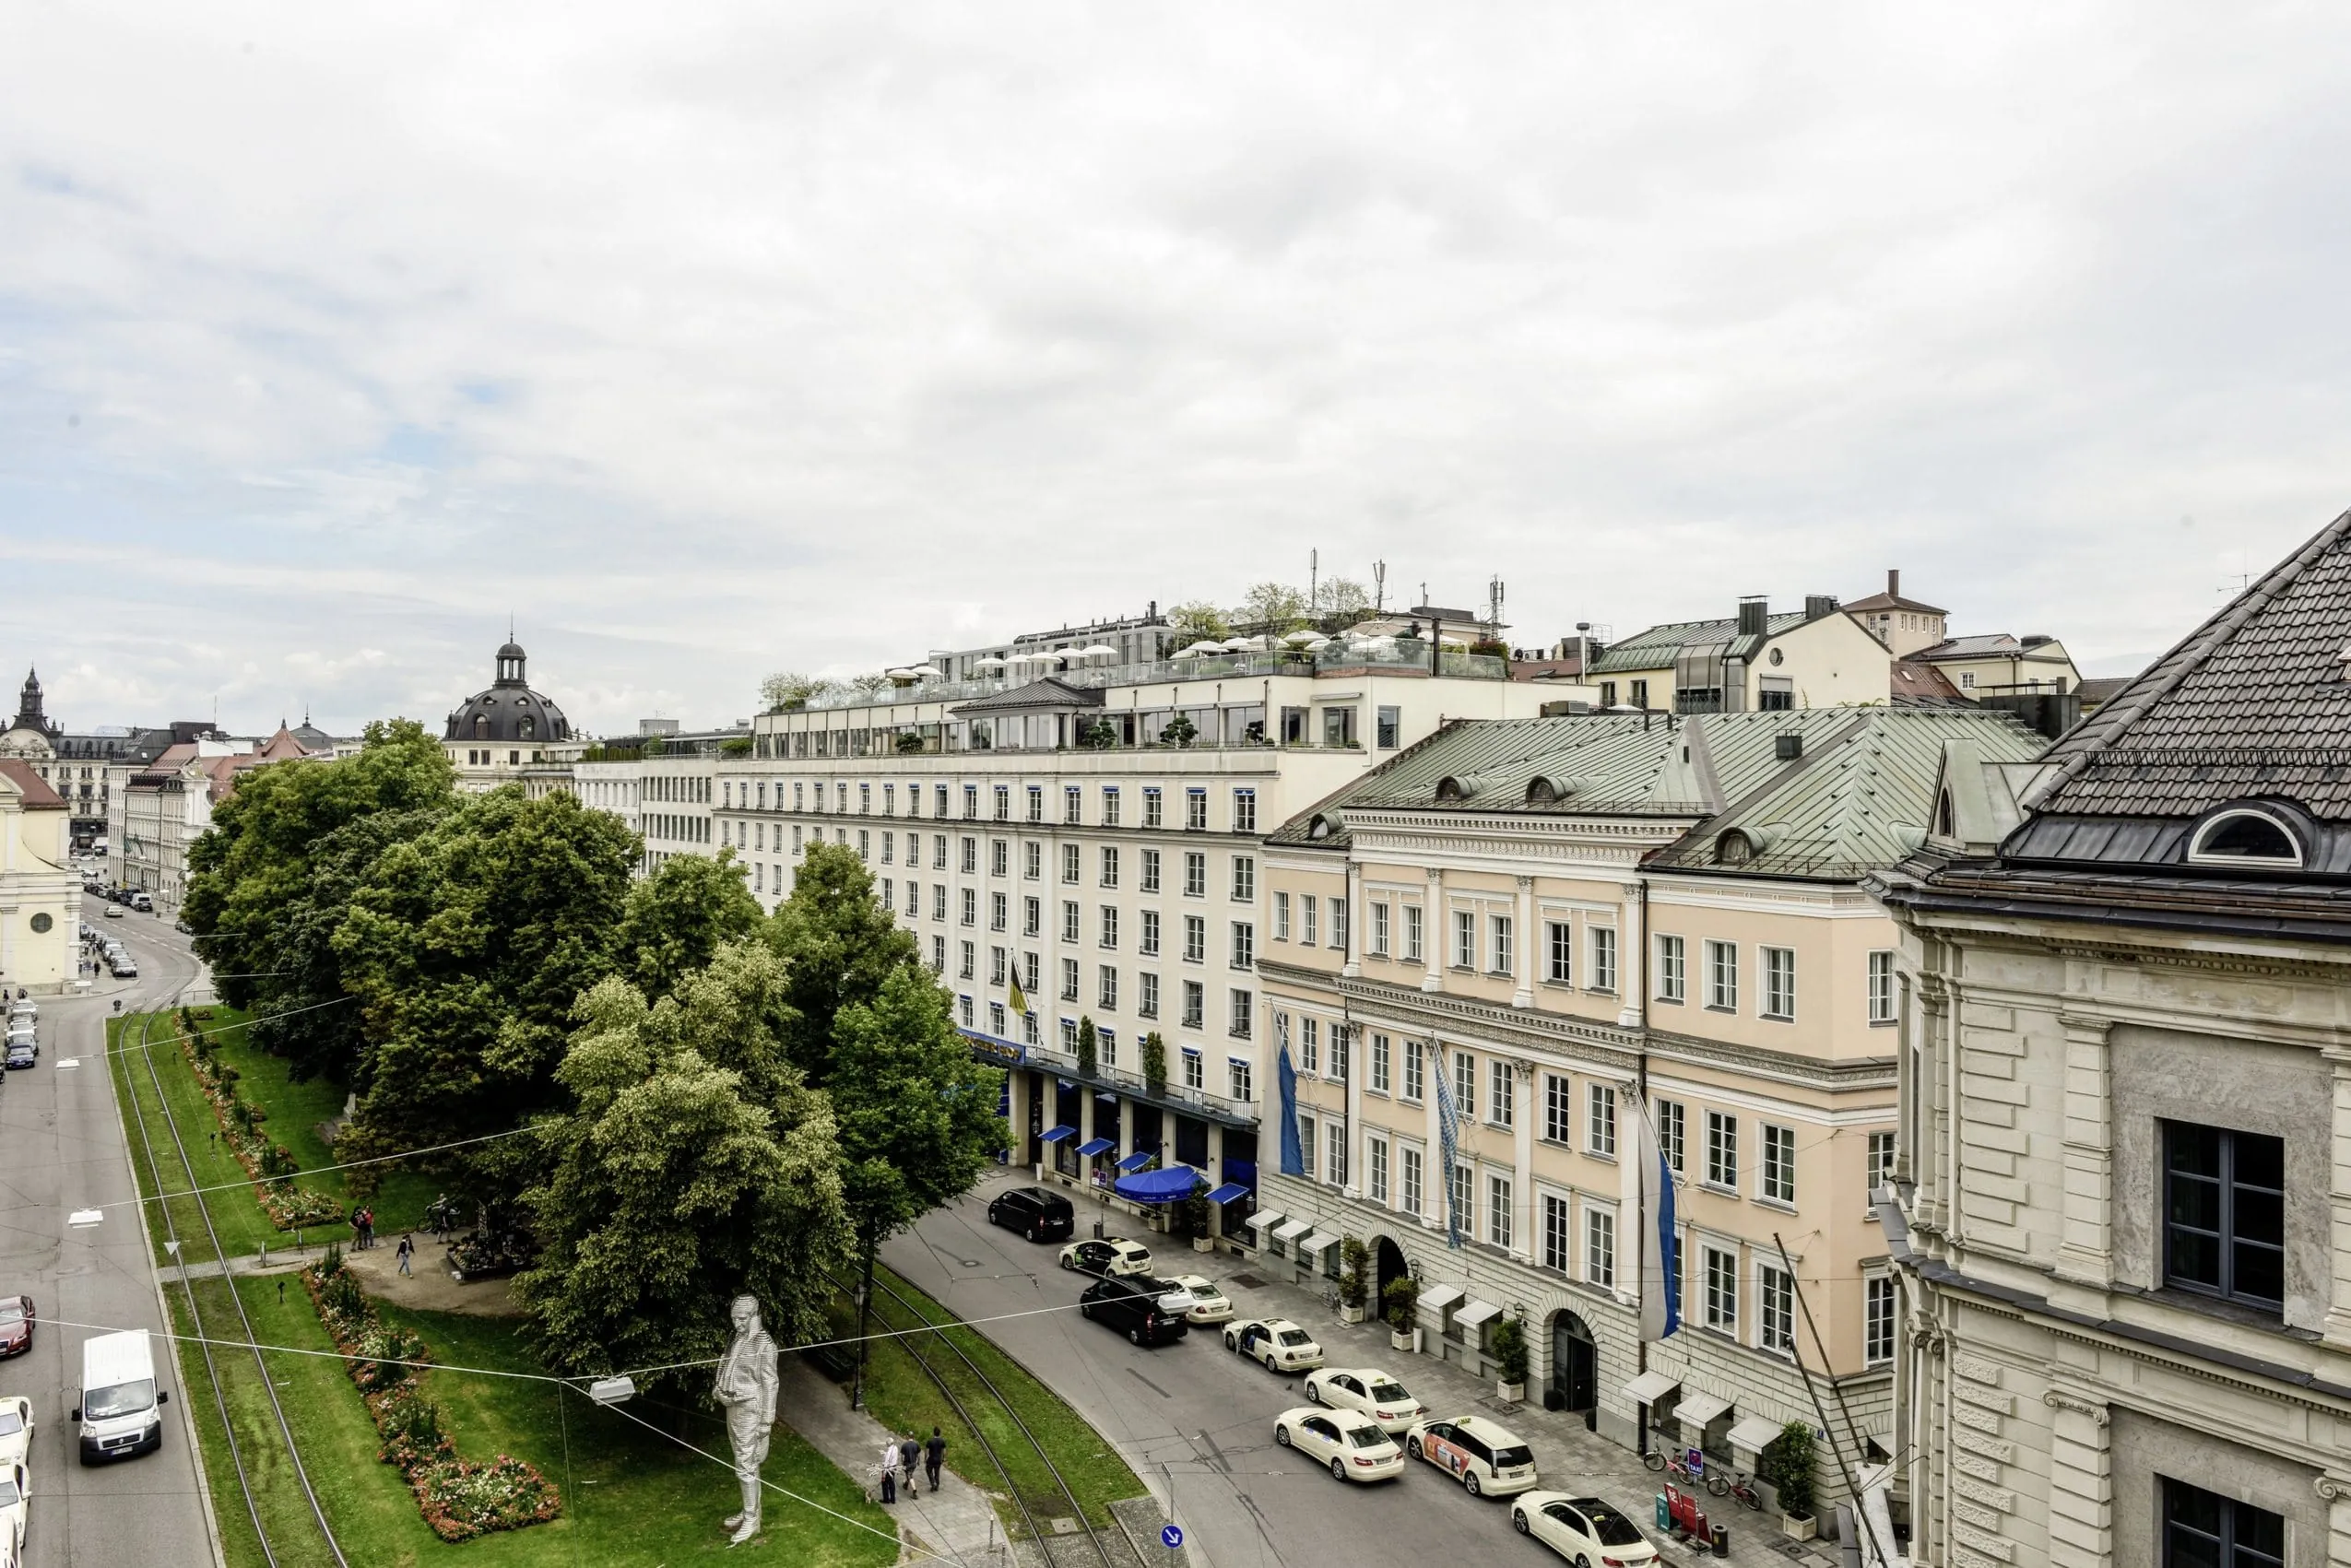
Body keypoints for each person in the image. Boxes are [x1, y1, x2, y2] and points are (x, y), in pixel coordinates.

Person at [715, 1294, 779, 1545]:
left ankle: (752, 1519)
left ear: (754, 1316)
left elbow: (770, 1383)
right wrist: (719, 1389)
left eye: (741, 1319)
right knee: (743, 1462)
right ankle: (749, 1510)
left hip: (750, 1409)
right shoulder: (736, 1339)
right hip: (733, 1406)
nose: (737, 1323)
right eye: (734, 1319)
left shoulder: (765, 1345)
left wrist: (766, 1421)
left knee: (746, 1464)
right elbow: (726, 1366)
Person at [878, 1435, 900, 1504]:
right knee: (891, 1483)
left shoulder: (889, 1452)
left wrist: (884, 1474)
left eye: (886, 1443)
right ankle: (893, 1499)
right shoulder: (895, 1448)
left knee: (884, 1484)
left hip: (888, 1469)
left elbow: (886, 1463)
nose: (886, 1444)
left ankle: (886, 1499)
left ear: (888, 1443)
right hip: (894, 1467)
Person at [900, 1434, 922, 1499]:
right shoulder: (916, 1445)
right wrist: (918, 1461)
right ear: (913, 1437)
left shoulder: (904, 1445)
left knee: (910, 1476)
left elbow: (902, 1456)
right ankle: (905, 1484)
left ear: (907, 1436)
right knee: (909, 1474)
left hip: (907, 1464)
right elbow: (918, 1454)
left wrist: (902, 1463)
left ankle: (914, 1490)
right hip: (914, 1464)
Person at [924, 1427, 946, 1491]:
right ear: (940, 1433)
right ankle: (937, 1484)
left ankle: (933, 1482)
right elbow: (944, 1451)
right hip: (938, 1460)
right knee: (937, 1472)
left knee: (928, 1470)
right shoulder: (942, 1441)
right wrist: (943, 1458)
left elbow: (927, 1451)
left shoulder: (930, 1441)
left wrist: (925, 1459)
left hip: (931, 1459)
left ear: (933, 1433)